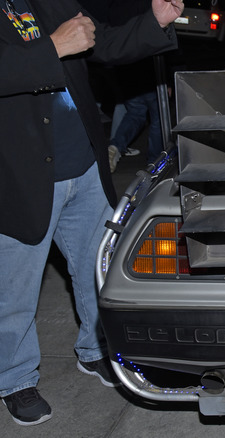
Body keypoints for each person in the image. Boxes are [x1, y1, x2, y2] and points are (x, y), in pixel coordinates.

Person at [0, 0, 183, 427]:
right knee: (15, 287)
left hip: (81, 164)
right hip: (20, 174)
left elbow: (102, 41)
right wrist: (53, 48)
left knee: (96, 267)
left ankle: (96, 349)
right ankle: (15, 378)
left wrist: (154, 21)